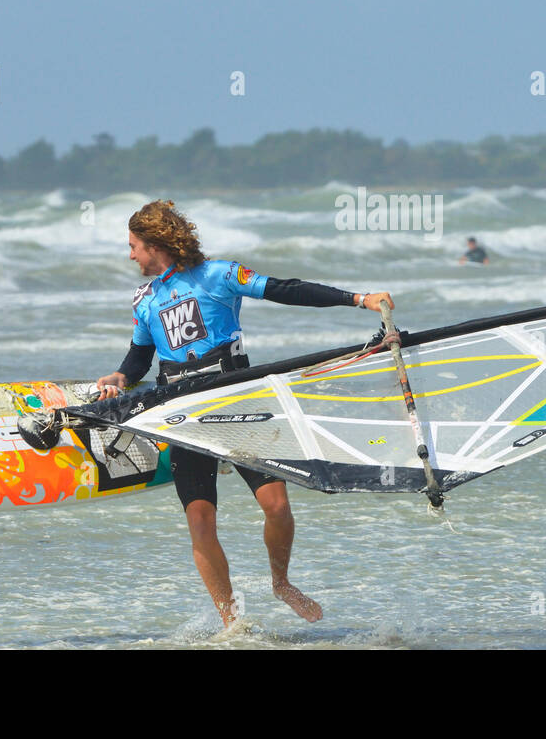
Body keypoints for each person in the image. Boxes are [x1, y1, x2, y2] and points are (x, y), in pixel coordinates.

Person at [95, 199, 392, 629]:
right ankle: (232, 622)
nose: (130, 256)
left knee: (276, 505)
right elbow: (140, 355)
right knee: (200, 518)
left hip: (238, 401)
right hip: (182, 411)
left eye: (133, 246)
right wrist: (121, 376)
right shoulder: (145, 299)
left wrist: (360, 299)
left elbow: (286, 289)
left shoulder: (220, 275)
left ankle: (281, 583)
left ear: (155, 244)